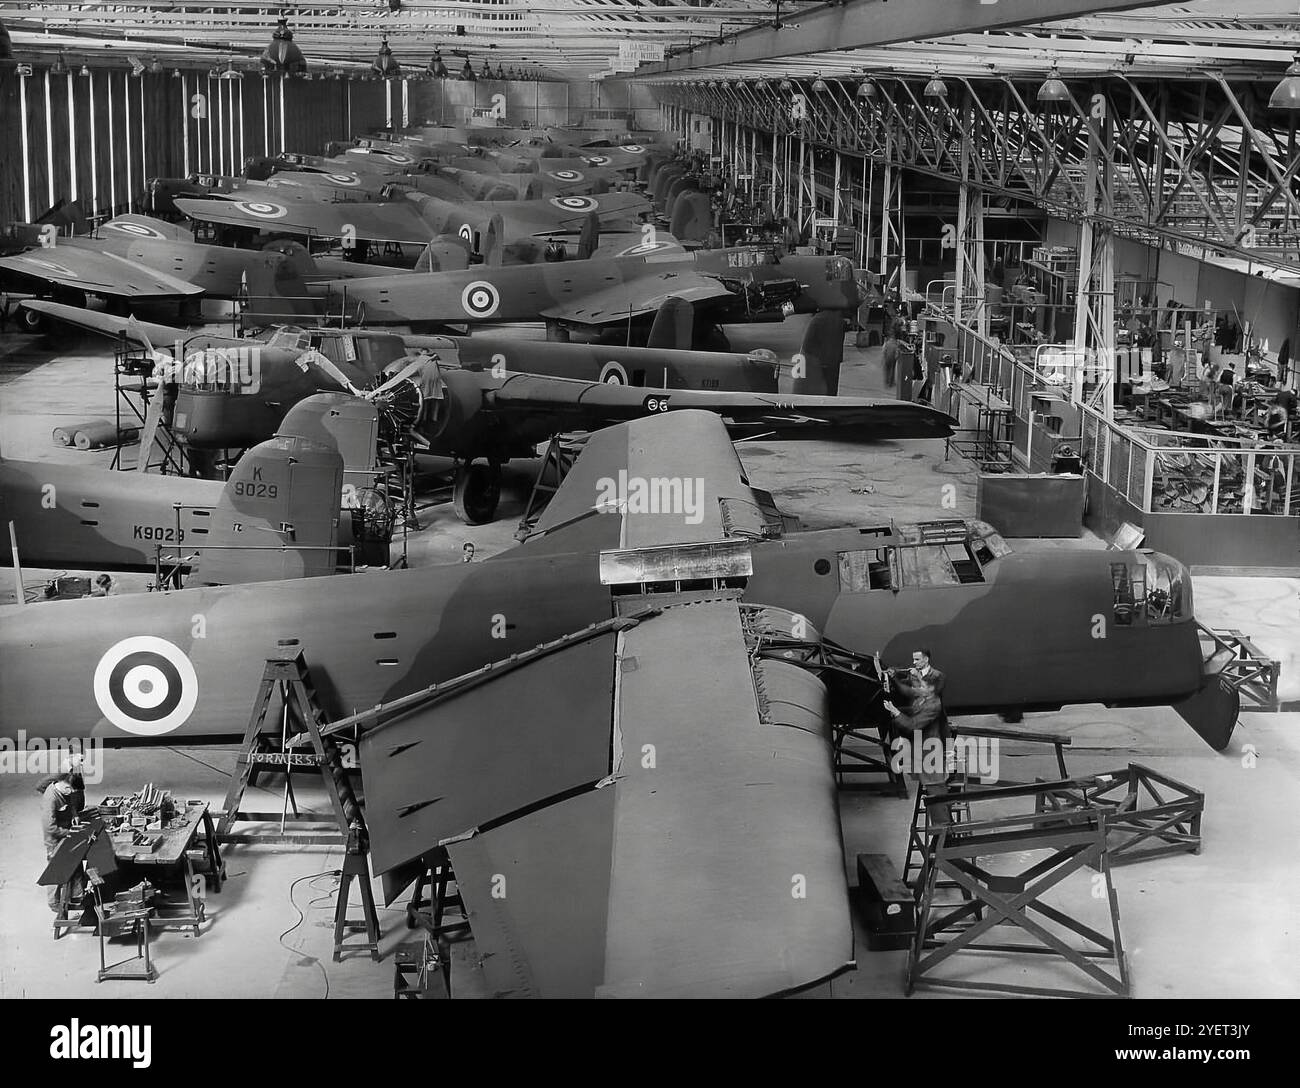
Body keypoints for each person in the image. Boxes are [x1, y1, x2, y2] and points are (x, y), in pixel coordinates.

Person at [38, 762, 86, 914]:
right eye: (72, 791)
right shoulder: (50, 798)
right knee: (57, 870)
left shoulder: (66, 790)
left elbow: (71, 804)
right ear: (66, 787)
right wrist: (69, 833)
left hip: (66, 831)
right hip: (55, 839)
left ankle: (77, 897)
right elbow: (49, 828)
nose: (72, 793)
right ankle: (55, 903)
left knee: (76, 861)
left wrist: (75, 816)